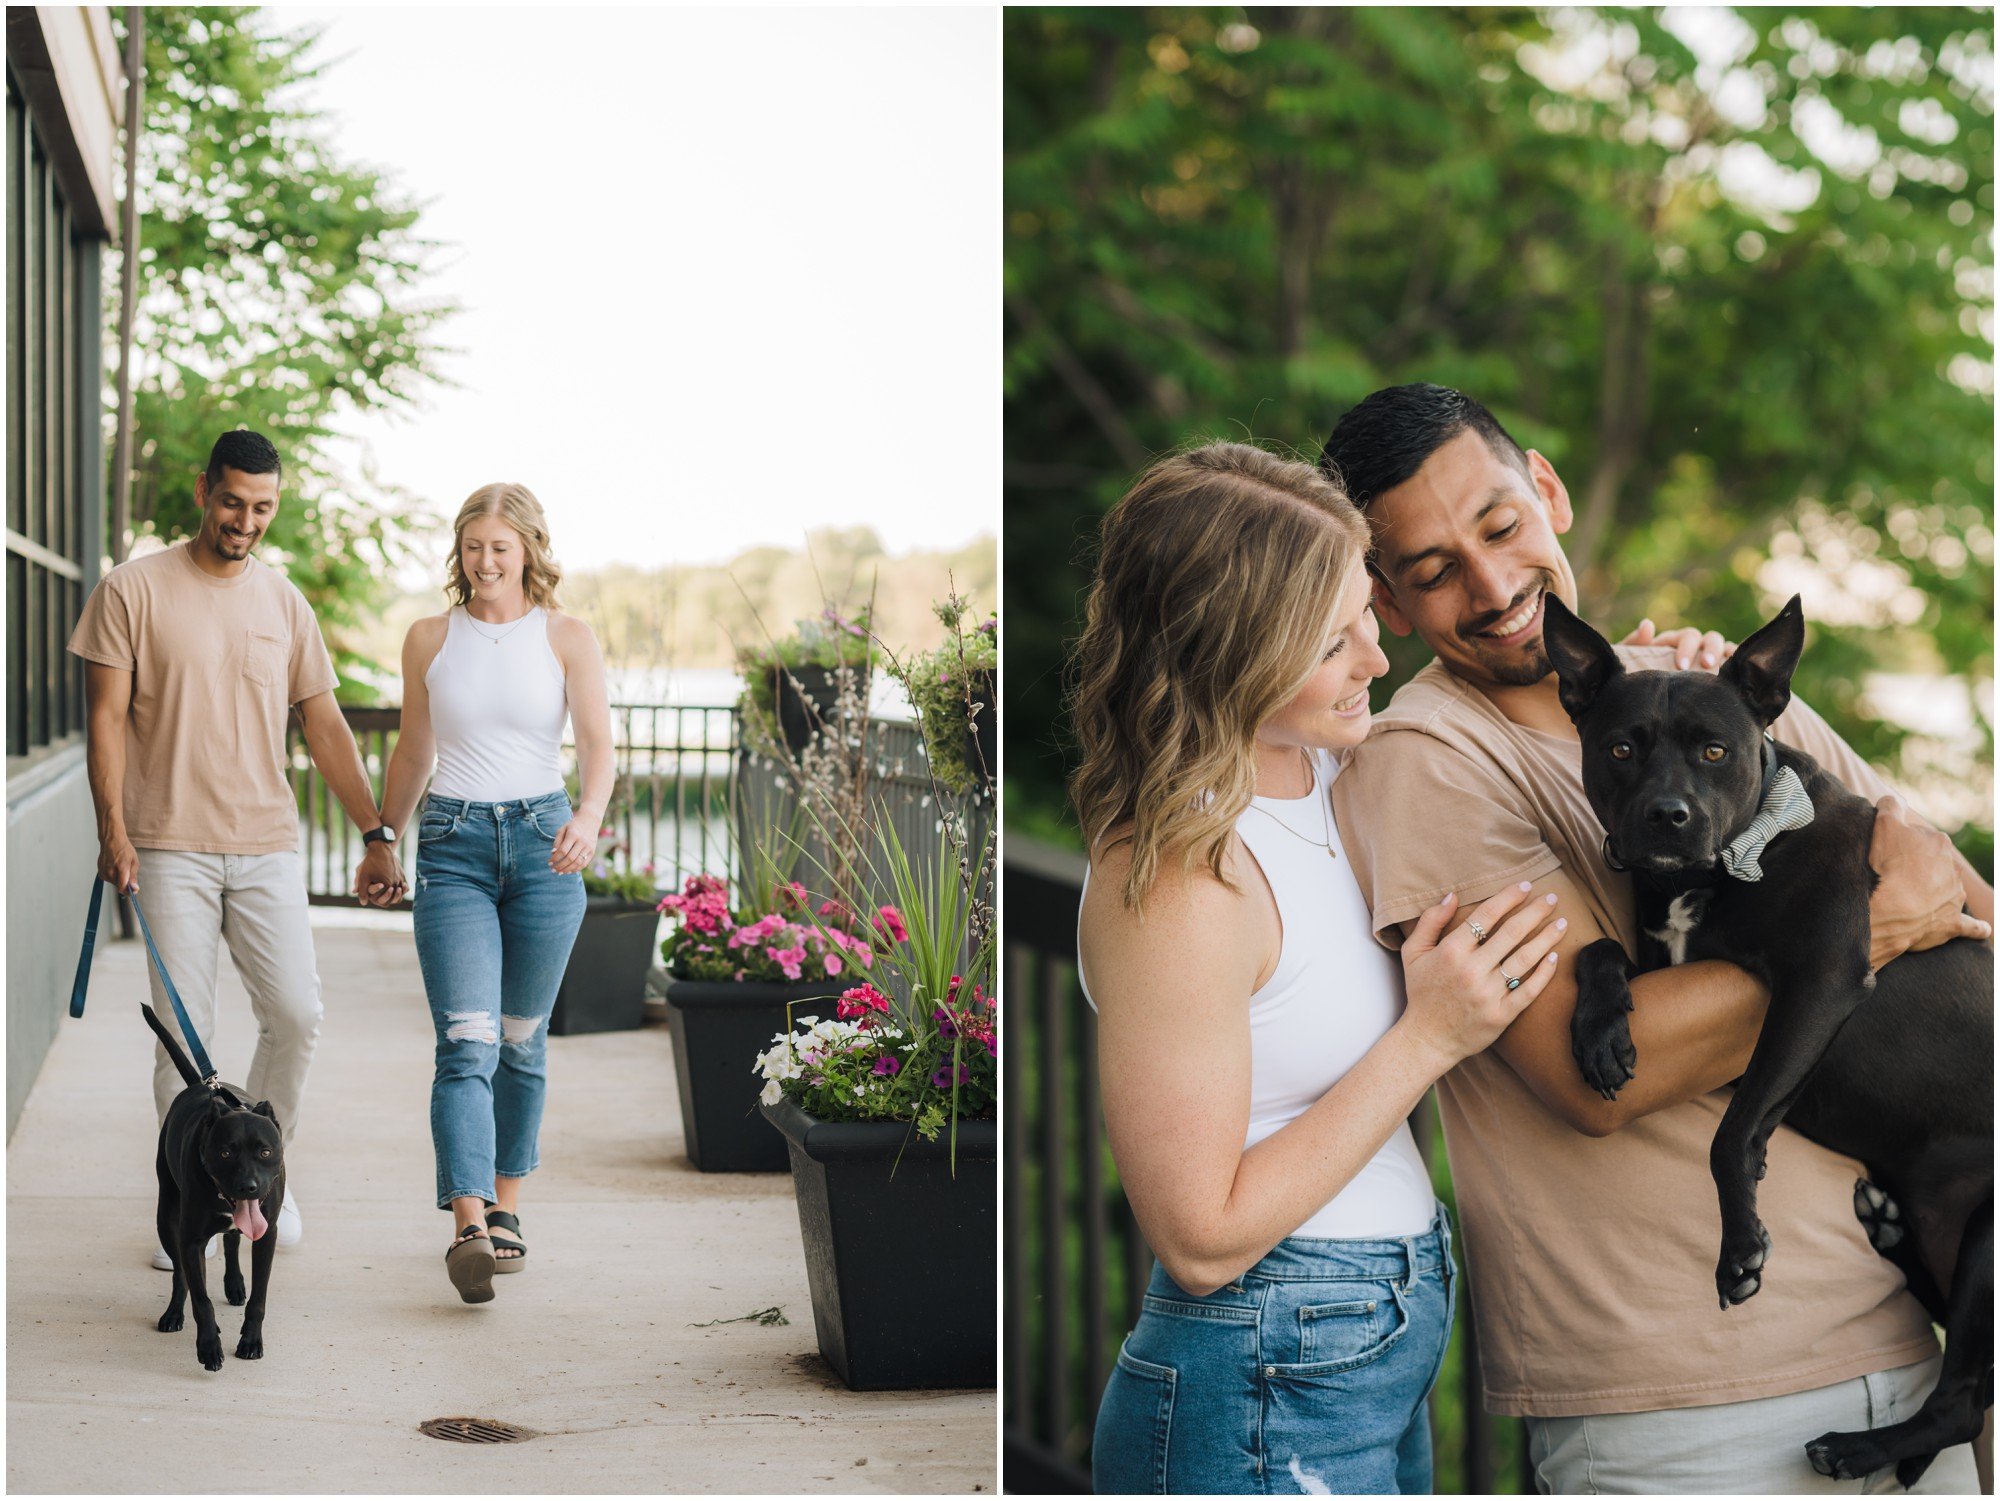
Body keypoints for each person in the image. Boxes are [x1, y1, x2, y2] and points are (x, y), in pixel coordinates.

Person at [1319, 382, 1993, 1494]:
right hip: (1686, 1411)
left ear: (1547, 490)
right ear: (1385, 602)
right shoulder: (1429, 760)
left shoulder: (1706, 692)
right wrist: (1868, 924)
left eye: (1498, 526)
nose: (1492, 588)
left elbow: (1963, 906)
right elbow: (1593, 1079)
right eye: (1433, 571)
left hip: (1908, 1347)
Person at [1077, 443, 1624, 1493]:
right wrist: (1427, 1037)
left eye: (1366, 617)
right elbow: (1197, 1238)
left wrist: (1653, 674)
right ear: (1223, 653)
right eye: (1333, 642)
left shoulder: (1332, 766)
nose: (1375, 660)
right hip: (1258, 1362)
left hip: (1363, 1341)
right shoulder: (1182, 878)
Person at [69, 428, 405, 1270]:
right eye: (231, 502)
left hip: (265, 844)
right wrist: (112, 827)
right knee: (186, 1045)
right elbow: (104, 718)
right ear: (202, 492)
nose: (244, 521)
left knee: (297, 1014)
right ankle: (190, 1201)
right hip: (166, 843)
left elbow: (324, 723)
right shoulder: (132, 589)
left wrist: (374, 831)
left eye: (261, 508)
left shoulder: (284, 602)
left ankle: (258, 1178)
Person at [368, 482, 612, 1304]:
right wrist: (382, 837)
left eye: (500, 548)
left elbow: (600, 751)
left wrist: (587, 814)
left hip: (546, 850)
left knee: (519, 1040)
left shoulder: (567, 637)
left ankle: (507, 1209)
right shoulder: (430, 638)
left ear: (530, 551)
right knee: (466, 1042)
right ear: (460, 551)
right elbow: (412, 750)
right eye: (473, 546)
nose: (484, 562)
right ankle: (468, 1224)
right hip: (454, 848)